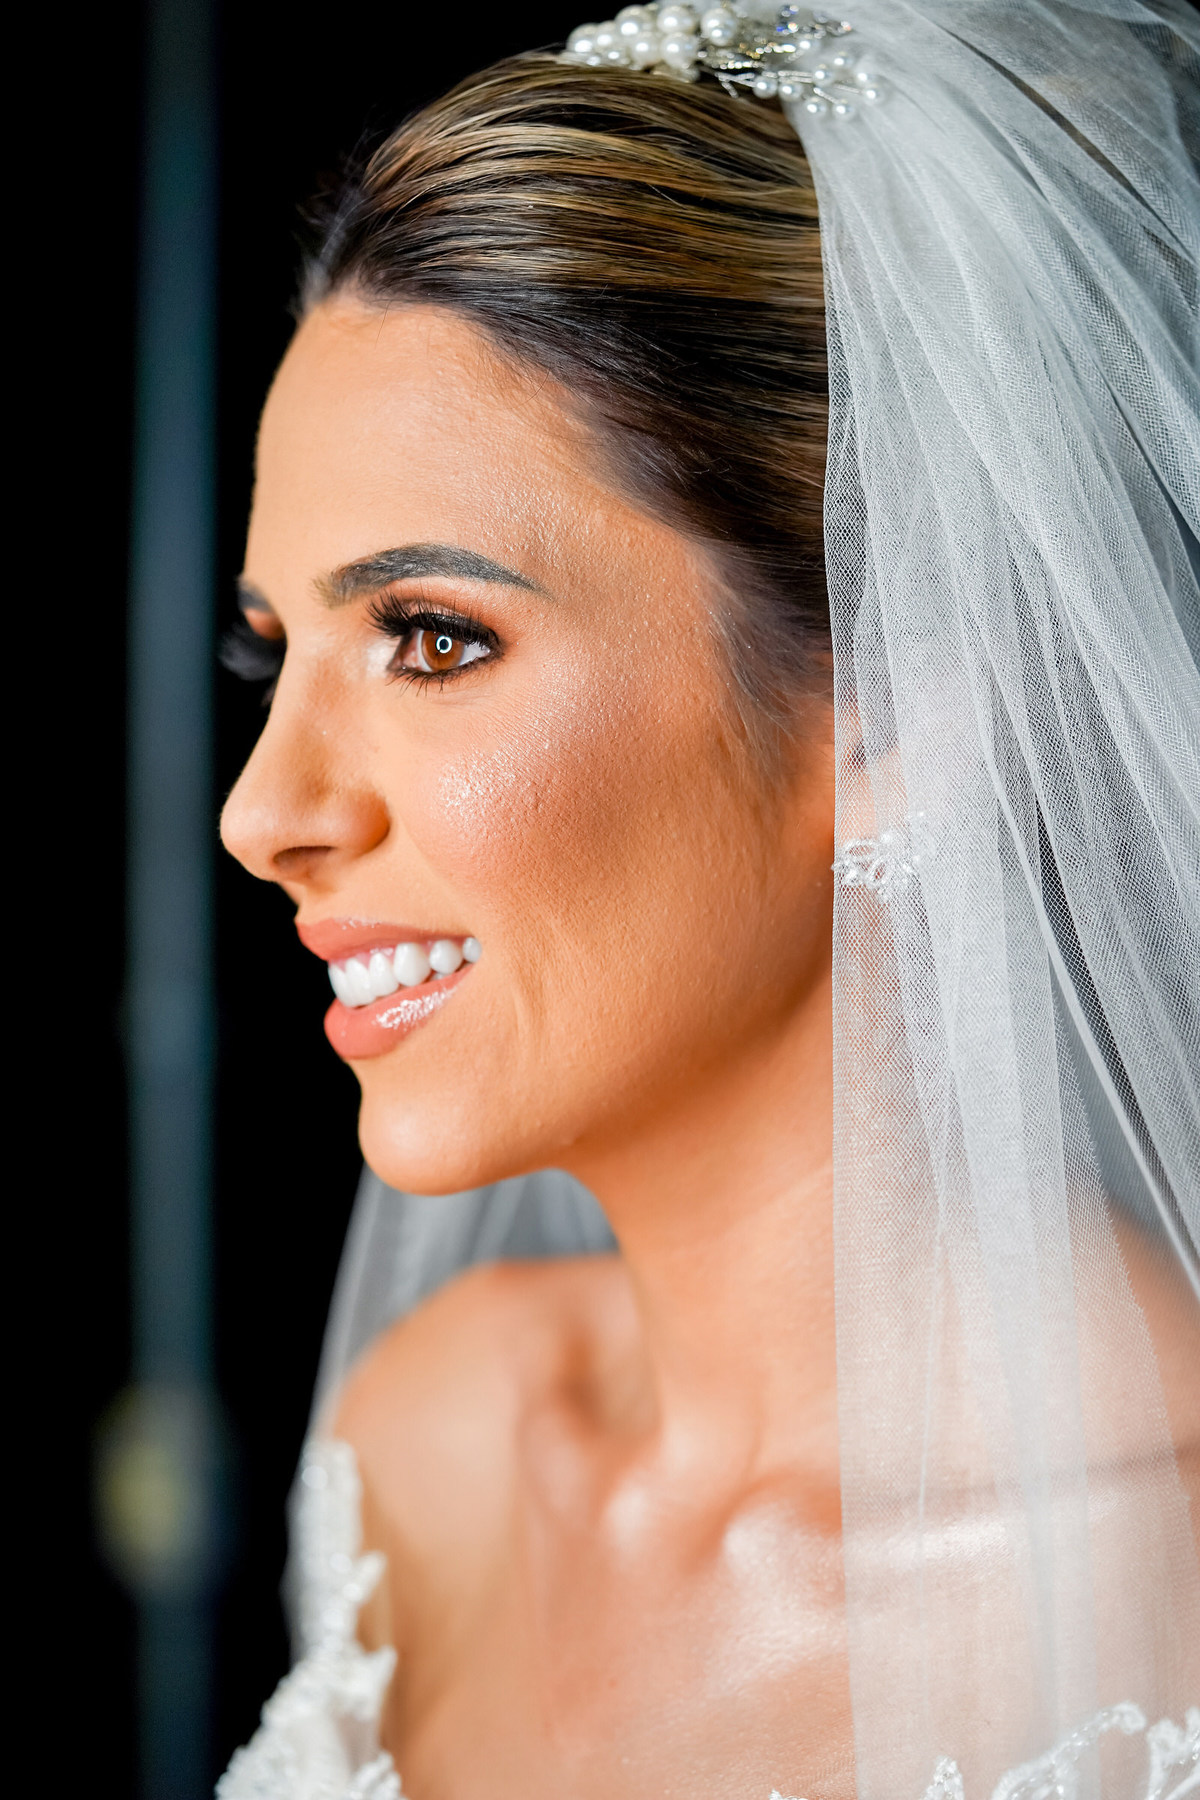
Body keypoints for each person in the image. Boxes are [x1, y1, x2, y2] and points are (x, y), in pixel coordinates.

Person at [216, 2, 1200, 1795]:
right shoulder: (426, 1450)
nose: (262, 816)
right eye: (273, 650)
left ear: (896, 701)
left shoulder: (1172, 1580)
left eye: (431, 638)